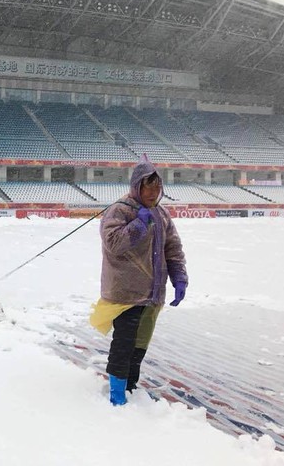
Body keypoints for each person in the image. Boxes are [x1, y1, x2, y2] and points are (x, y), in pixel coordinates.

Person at [90, 154, 188, 406]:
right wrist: (138, 225)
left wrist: (179, 278)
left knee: (140, 344)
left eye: (157, 187)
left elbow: (173, 249)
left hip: (152, 294)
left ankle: (130, 386)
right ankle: (116, 393)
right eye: (148, 186)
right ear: (137, 186)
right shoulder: (120, 210)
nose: (154, 192)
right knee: (124, 342)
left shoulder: (161, 214)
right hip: (126, 292)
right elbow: (114, 244)